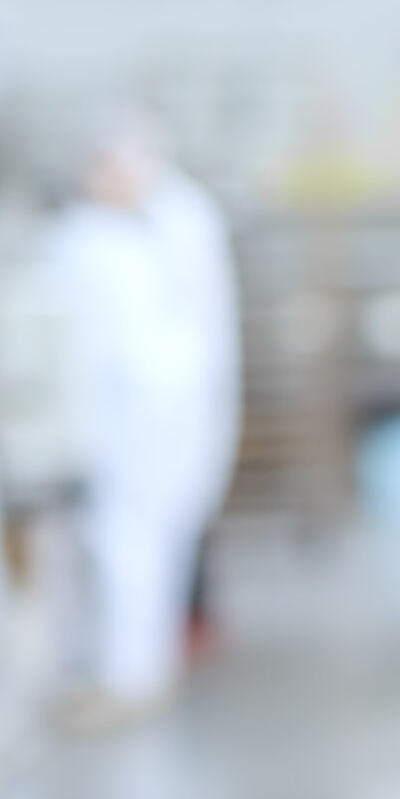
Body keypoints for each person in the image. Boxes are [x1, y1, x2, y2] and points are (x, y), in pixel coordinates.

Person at [53, 114, 240, 721]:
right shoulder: (102, 236)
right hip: (143, 418)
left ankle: (132, 678)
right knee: (132, 546)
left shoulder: (169, 223)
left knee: (134, 543)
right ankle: (133, 671)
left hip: (152, 420)